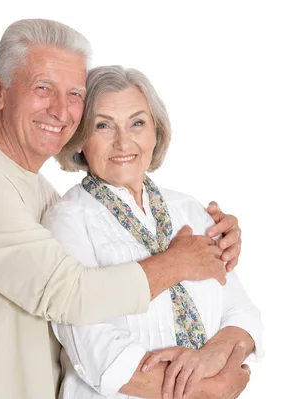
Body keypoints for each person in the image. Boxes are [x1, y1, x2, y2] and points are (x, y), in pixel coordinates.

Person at [0, 19, 244, 399]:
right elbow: (70, 296)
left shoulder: (41, 193)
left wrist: (221, 243)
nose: (60, 110)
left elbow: (238, 310)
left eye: (74, 94)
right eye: (43, 88)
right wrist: (180, 262)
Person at [46, 65, 264, 399]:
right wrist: (209, 391)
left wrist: (213, 355)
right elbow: (97, 354)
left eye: (137, 123)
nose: (123, 142)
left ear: (156, 132)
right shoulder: (67, 221)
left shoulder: (190, 210)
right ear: (79, 137)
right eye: (103, 125)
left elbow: (243, 313)